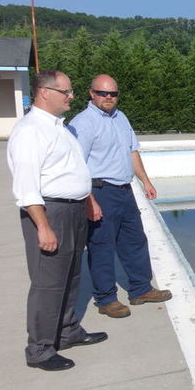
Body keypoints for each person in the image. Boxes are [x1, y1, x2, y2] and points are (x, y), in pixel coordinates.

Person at [7, 70, 108, 371]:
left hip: (73, 210)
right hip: (50, 212)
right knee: (48, 283)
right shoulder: (30, 131)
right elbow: (26, 187)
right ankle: (39, 349)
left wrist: (87, 199)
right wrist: (44, 226)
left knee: (72, 275)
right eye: (66, 92)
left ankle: (66, 331)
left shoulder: (58, 128)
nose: (71, 96)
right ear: (44, 92)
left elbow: (71, 169)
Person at [70, 74, 172, 318]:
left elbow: (132, 151)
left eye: (113, 93)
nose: (108, 97)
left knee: (134, 240)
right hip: (99, 191)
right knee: (102, 245)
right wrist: (89, 199)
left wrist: (145, 181)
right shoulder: (83, 123)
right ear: (91, 93)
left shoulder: (121, 117)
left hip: (124, 191)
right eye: (103, 93)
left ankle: (141, 289)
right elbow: (76, 165)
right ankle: (106, 299)